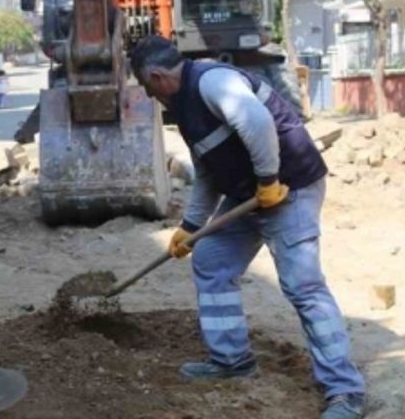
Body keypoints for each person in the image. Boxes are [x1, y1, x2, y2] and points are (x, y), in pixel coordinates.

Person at [127, 36, 366, 419]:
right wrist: (189, 227)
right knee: (211, 258)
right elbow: (208, 172)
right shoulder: (184, 108)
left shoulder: (211, 82)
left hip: (291, 188)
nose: (149, 95)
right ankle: (231, 360)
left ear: (156, 76)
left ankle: (345, 392)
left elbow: (255, 119)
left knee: (303, 286)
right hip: (248, 195)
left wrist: (269, 179)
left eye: (145, 86)